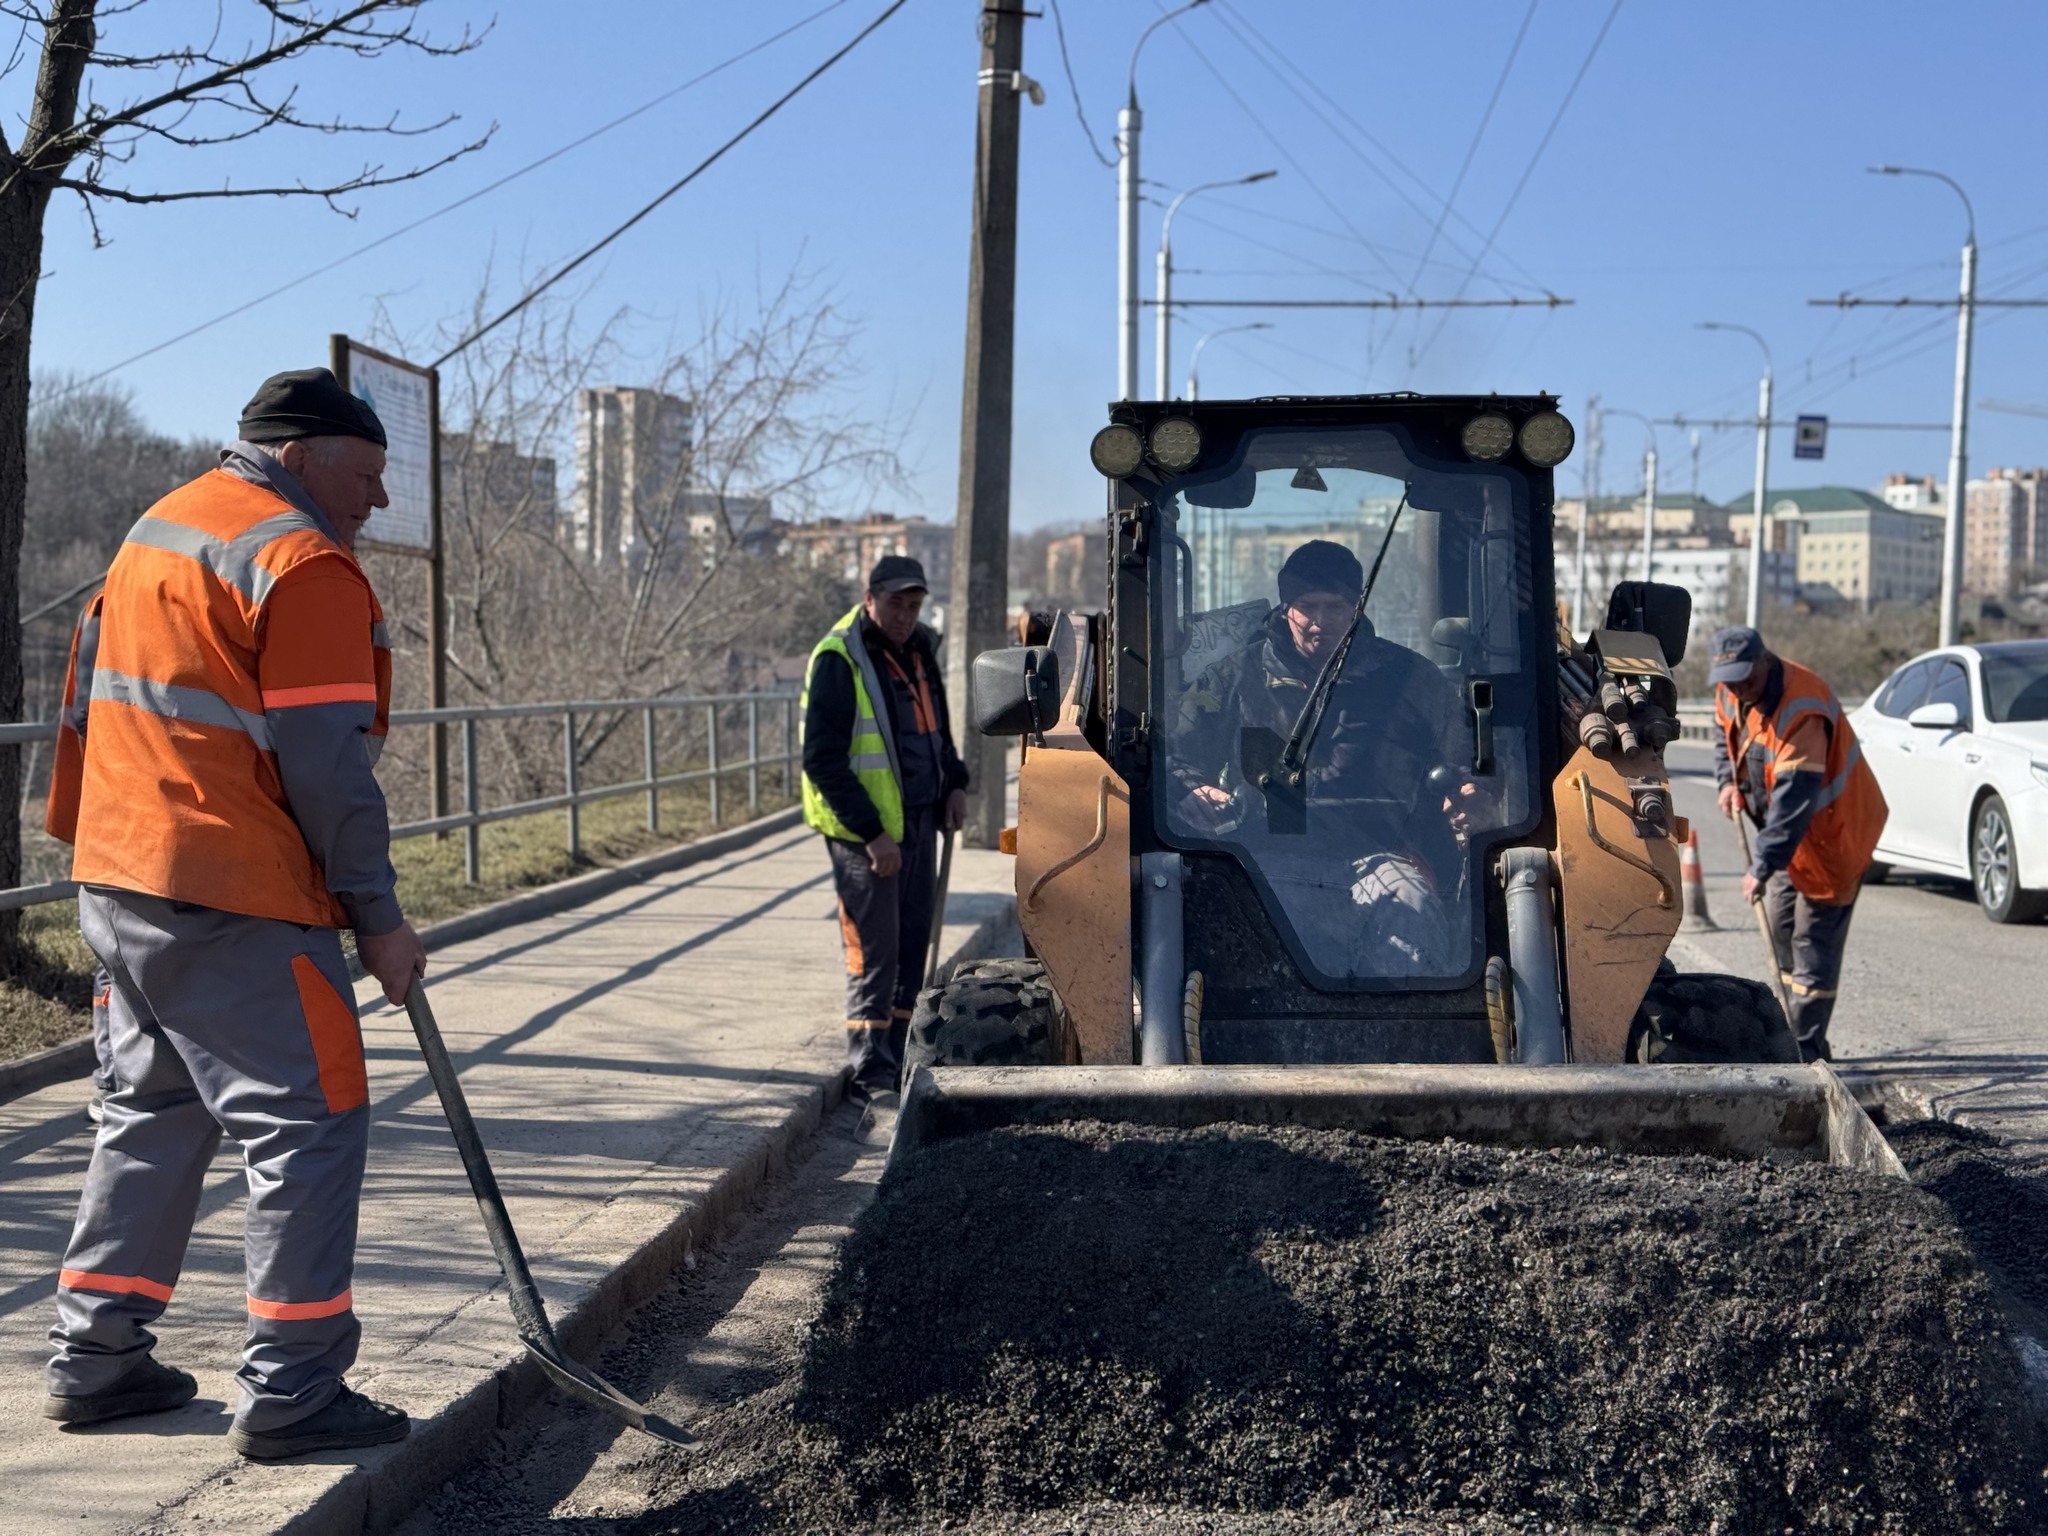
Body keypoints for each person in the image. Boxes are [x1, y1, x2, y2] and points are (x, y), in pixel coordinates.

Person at [41, 368, 427, 1461]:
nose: (377, 502)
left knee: (153, 1113)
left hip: (124, 879)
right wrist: (378, 917)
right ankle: (295, 1390)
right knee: (306, 1123)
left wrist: (90, 843)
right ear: (300, 458)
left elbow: (83, 701)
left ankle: (97, 1357)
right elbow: (328, 769)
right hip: (235, 892)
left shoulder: (158, 529)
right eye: (364, 474)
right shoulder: (300, 562)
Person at [1167, 539, 1469, 972]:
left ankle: (1403, 1029)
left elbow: (1464, 757)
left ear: (1356, 606)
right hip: (1266, 863)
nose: (1319, 622)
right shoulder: (1234, 679)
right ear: (1286, 606)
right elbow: (1174, 752)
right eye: (1308, 606)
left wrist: (1466, 789)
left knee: (1412, 908)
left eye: (1335, 606)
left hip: (1381, 855)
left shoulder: (1409, 680)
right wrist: (1191, 789)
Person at [801, 556, 969, 1104]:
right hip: (865, 838)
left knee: (911, 944)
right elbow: (822, 761)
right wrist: (873, 835)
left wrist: (956, 783)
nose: (905, 614)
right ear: (868, 597)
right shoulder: (839, 659)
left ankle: (901, 1055)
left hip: (920, 822)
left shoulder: (920, 650)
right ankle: (870, 1070)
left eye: (914, 604)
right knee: (875, 952)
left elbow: (936, 731)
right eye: (896, 602)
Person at [1711, 625, 1887, 1062]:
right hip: (1792, 844)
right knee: (1782, 930)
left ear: (1766, 662)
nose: (1739, 690)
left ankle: (1807, 1055)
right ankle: (1794, 1039)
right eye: (1730, 681)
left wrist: (1761, 867)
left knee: (1811, 947)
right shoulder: (1731, 688)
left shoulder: (1802, 709)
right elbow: (1723, 736)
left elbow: (1793, 803)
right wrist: (1726, 782)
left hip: (1833, 840)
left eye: (1746, 680)